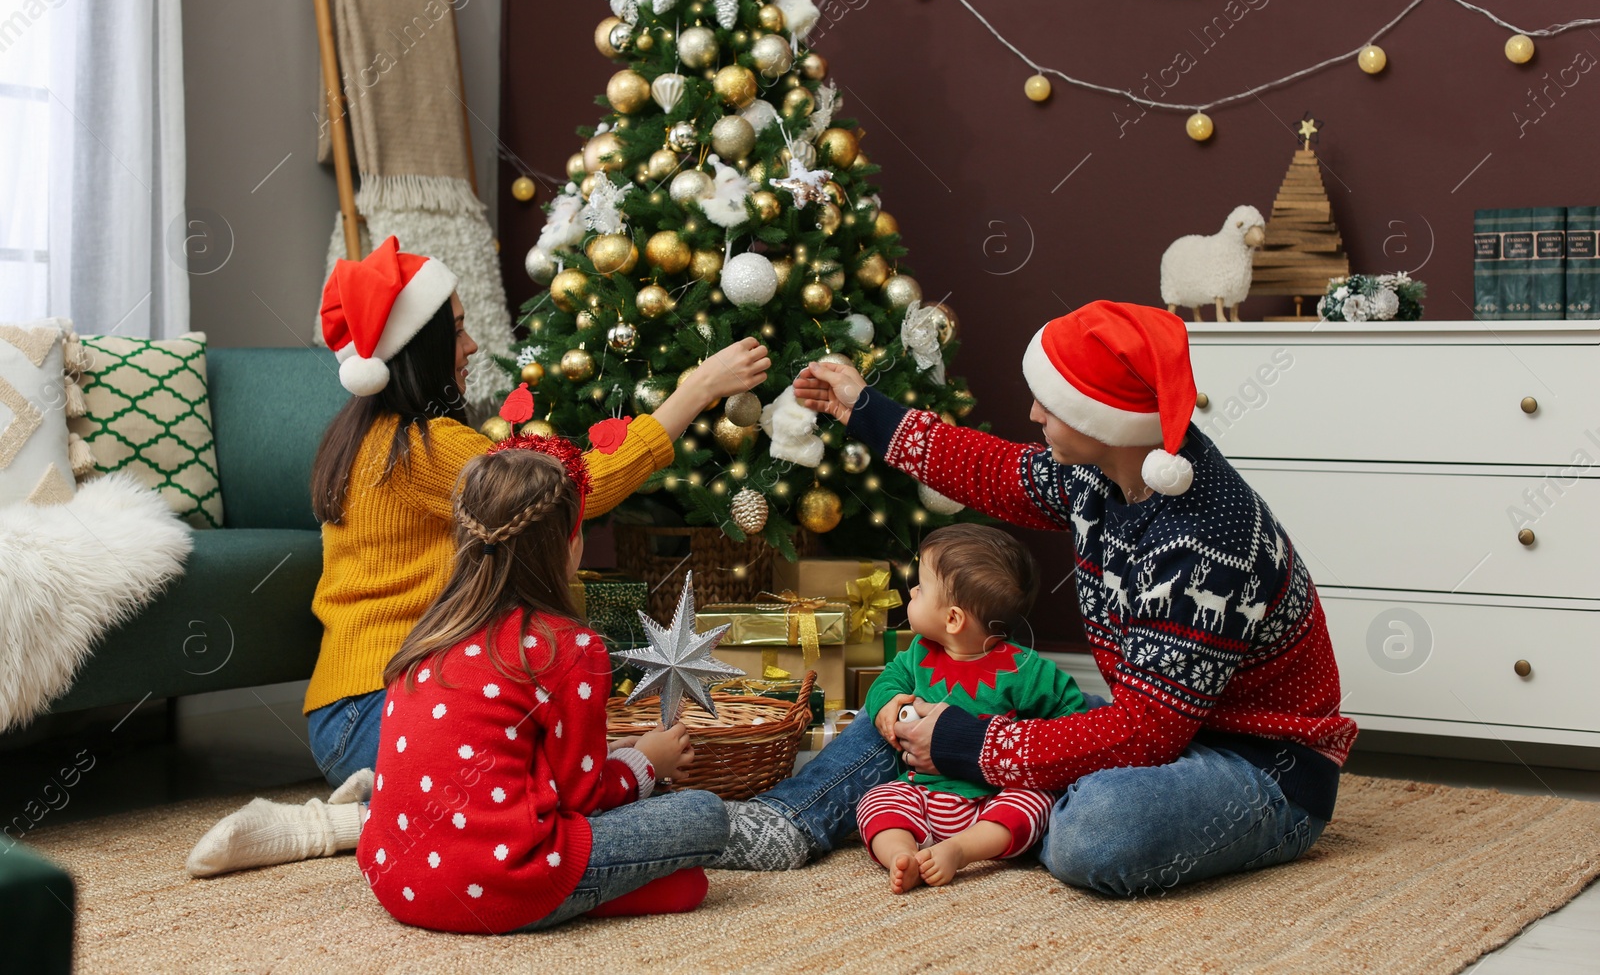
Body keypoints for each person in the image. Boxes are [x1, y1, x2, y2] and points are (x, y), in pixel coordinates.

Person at [711, 301, 1357, 897]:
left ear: (1107, 416)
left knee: (1095, 830)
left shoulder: (1202, 542)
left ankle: (998, 810)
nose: (1034, 414)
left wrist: (976, 744)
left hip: (1260, 769)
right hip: (1159, 722)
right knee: (921, 701)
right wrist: (863, 407)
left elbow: (1147, 735)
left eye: (1053, 402)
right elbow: (991, 471)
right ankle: (786, 820)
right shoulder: (1103, 471)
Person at [187, 236, 766, 877]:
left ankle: (393, 805)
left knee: (551, 767)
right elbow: (571, 489)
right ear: (421, 349)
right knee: (537, 796)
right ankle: (343, 823)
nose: (469, 348)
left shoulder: (361, 434)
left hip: (353, 712)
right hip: (376, 711)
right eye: (457, 331)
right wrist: (695, 390)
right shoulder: (423, 447)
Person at [358, 442, 725, 932]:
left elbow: (521, 760)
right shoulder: (567, 647)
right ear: (569, 543)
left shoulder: (430, 636)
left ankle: (582, 893)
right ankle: (555, 897)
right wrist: (643, 765)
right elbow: (581, 798)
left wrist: (612, 752)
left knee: (686, 886)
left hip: (399, 884)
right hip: (507, 878)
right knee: (705, 815)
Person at [856, 524, 1084, 893]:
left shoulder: (1027, 671)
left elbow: (1073, 719)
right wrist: (886, 705)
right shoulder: (919, 653)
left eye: (922, 587)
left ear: (953, 619)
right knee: (878, 800)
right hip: (924, 793)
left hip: (992, 800)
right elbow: (887, 682)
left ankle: (960, 851)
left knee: (1035, 803)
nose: (912, 591)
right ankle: (903, 854)